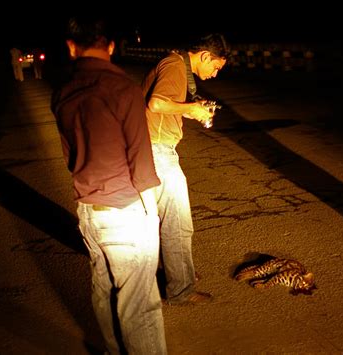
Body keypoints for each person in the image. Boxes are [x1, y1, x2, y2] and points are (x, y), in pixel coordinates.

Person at [51, 16, 167, 354]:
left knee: (103, 290)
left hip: (88, 210)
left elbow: (71, 157)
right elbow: (141, 162)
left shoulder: (62, 94)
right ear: (112, 47)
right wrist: (151, 216)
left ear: (72, 47)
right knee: (140, 306)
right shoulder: (124, 90)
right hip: (125, 212)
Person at [141, 34, 229, 304]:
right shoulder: (176, 65)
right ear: (204, 56)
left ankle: (175, 272)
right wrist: (191, 106)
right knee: (177, 223)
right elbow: (155, 103)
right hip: (158, 151)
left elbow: (163, 106)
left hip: (151, 149)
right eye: (215, 67)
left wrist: (190, 112)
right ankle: (180, 289)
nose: (214, 75)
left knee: (156, 221)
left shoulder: (176, 64)